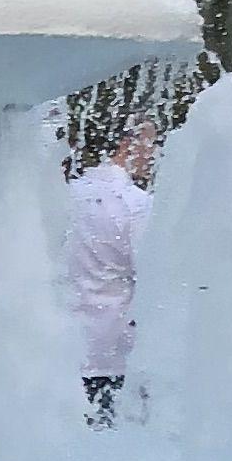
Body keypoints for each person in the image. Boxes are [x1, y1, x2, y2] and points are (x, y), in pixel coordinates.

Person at [61, 126, 149, 417]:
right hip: (114, 350)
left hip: (64, 345)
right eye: (151, 142)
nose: (155, 153)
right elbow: (154, 275)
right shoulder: (136, 204)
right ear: (127, 144)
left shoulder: (65, 196)